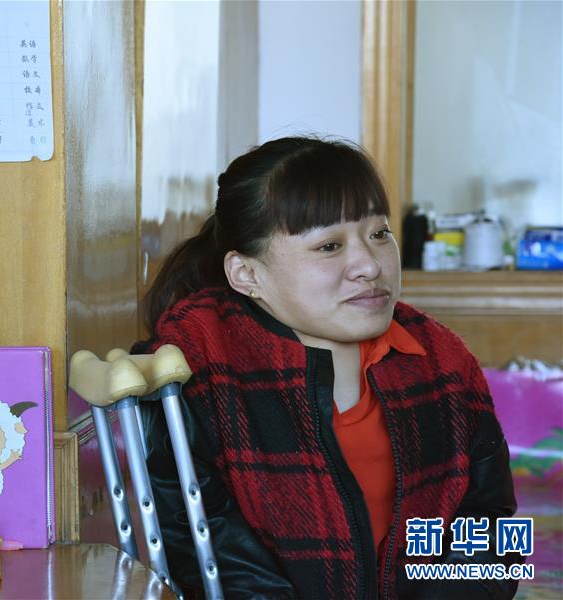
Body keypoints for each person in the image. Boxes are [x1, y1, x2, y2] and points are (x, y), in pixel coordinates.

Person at [135, 137, 518, 599]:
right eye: (329, 245)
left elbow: (491, 530)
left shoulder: (441, 360)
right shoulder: (196, 371)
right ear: (247, 274)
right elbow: (205, 551)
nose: (369, 266)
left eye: (379, 234)